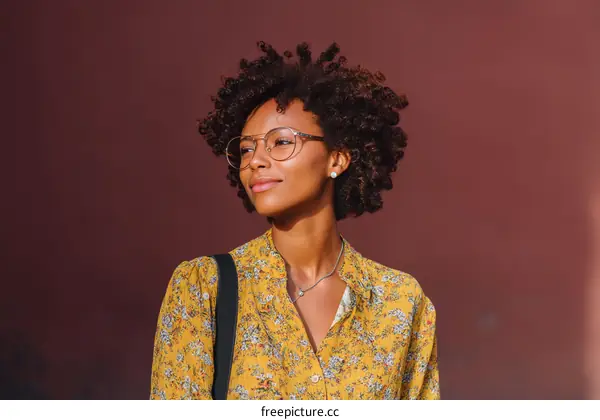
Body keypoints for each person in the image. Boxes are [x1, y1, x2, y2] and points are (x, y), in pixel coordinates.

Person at [150, 41, 439, 400]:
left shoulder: (400, 301)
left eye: (281, 142)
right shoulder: (202, 289)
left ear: (337, 159)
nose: (255, 160)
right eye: (245, 148)